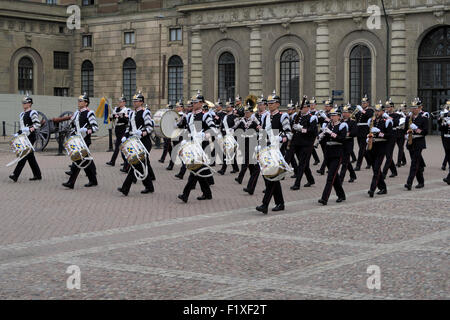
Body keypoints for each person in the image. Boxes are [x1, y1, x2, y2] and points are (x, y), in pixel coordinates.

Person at [255, 90, 292, 214]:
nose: (269, 105)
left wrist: (281, 138)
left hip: (277, 150)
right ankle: (280, 203)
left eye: (272, 103)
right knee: (270, 177)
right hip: (266, 149)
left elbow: (289, 134)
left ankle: (265, 204)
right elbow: (263, 132)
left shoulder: (283, 116)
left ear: (277, 104)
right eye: (269, 103)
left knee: (271, 177)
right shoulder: (266, 117)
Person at [178, 90, 214, 203]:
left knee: (195, 170)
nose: (192, 104)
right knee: (199, 171)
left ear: (201, 103)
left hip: (202, 146)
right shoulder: (189, 116)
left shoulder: (205, 116)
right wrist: (185, 140)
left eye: (195, 102)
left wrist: (204, 135)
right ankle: (207, 193)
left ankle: (185, 194)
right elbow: (188, 130)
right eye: (192, 102)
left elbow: (213, 130)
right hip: (193, 146)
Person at [117, 91, 155, 196]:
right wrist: (125, 135)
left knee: (136, 164)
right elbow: (129, 127)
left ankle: (125, 188)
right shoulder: (132, 113)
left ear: (141, 102)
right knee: (141, 165)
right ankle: (149, 187)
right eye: (133, 101)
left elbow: (150, 127)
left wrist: (142, 133)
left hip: (144, 142)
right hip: (135, 142)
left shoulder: (145, 112)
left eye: (136, 101)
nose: (134, 103)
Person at [62, 93, 98, 189]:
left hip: (85, 140)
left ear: (86, 103)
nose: (79, 102)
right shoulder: (77, 113)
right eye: (78, 100)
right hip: (77, 140)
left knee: (78, 160)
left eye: (81, 101)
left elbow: (95, 127)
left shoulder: (89, 113)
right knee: (85, 161)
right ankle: (93, 180)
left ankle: (71, 182)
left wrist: (86, 130)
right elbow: (73, 125)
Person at [9, 94, 42, 182]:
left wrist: (30, 129)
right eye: (23, 103)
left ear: (30, 104)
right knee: (30, 157)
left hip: (30, 137)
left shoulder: (32, 113)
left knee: (23, 155)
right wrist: (17, 133)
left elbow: (37, 124)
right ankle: (38, 175)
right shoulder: (22, 114)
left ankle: (15, 175)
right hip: (24, 137)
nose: (23, 104)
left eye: (25, 103)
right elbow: (22, 127)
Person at [318, 107, 347, 205]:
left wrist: (331, 133)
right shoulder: (329, 125)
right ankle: (341, 195)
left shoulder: (342, 126)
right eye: (331, 115)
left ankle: (324, 198)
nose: (332, 117)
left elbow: (342, 139)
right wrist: (321, 135)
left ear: (339, 116)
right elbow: (324, 139)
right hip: (328, 153)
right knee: (335, 177)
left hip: (337, 154)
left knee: (330, 177)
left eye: (334, 115)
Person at [366, 101, 393, 197]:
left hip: (381, 147)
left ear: (383, 112)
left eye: (379, 111)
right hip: (372, 147)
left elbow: (390, 136)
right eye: (376, 111)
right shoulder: (372, 121)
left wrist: (380, 133)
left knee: (377, 169)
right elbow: (369, 132)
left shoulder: (387, 121)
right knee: (375, 169)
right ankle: (383, 188)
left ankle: (372, 189)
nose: (377, 113)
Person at [290, 99, 317, 190]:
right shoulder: (296, 117)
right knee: (304, 163)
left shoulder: (312, 117)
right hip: (297, 143)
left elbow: (313, 131)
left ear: (308, 108)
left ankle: (297, 183)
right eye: (301, 108)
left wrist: (301, 129)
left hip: (307, 144)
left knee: (301, 164)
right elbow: (292, 129)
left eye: (304, 107)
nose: (302, 109)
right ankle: (311, 179)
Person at [404, 98, 428, 190]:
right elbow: (405, 129)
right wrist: (406, 135)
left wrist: (417, 129)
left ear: (419, 108)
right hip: (410, 142)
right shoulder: (408, 118)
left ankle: (409, 183)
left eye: (415, 108)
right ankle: (421, 181)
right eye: (412, 108)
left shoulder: (423, 118)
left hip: (419, 142)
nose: (413, 110)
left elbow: (425, 132)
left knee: (414, 163)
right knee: (416, 163)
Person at [106, 94, 130, 167]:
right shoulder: (116, 109)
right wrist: (113, 116)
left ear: (124, 102)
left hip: (123, 127)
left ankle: (113, 161)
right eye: (119, 102)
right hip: (117, 128)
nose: (119, 103)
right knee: (121, 145)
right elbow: (111, 118)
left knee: (118, 145)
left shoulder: (127, 110)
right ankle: (126, 161)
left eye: (121, 102)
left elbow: (126, 120)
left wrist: (119, 116)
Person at [217, 99, 240, 175]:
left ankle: (223, 170)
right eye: (226, 107)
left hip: (232, 137)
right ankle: (236, 168)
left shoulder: (234, 116)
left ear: (232, 108)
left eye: (229, 107)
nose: (227, 108)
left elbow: (237, 124)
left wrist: (232, 129)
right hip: (225, 136)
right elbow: (221, 125)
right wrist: (220, 133)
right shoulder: (224, 117)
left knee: (226, 153)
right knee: (230, 153)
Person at [354, 95, 374, 171]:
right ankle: (370, 162)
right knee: (362, 149)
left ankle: (358, 165)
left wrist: (361, 110)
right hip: (359, 131)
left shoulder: (370, 110)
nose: (363, 104)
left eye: (365, 103)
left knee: (361, 149)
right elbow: (356, 119)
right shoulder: (359, 110)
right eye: (362, 103)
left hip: (365, 131)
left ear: (368, 103)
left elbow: (369, 115)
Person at [339, 103, 357, 183]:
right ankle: (353, 175)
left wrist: (348, 133)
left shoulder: (352, 122)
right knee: (346, 161)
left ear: (349, 113)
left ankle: (340, 179)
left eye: (346, 112)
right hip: (342, 143)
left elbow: (355, 132)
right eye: (343, 112)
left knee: (345, 162)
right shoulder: (340, 121)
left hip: (348, 143)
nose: (344, 114)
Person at [382, 99, 400, 179]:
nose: (387, 108)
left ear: (392, 107)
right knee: (387, 154)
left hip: (392, 136)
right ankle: (394, 171)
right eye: (386, 107)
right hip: (385, 135)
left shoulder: (396, 115)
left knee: (389, 155)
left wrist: (389, 117)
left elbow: (397, 123)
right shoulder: (384, 115)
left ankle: (384, 173)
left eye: (388, 107)